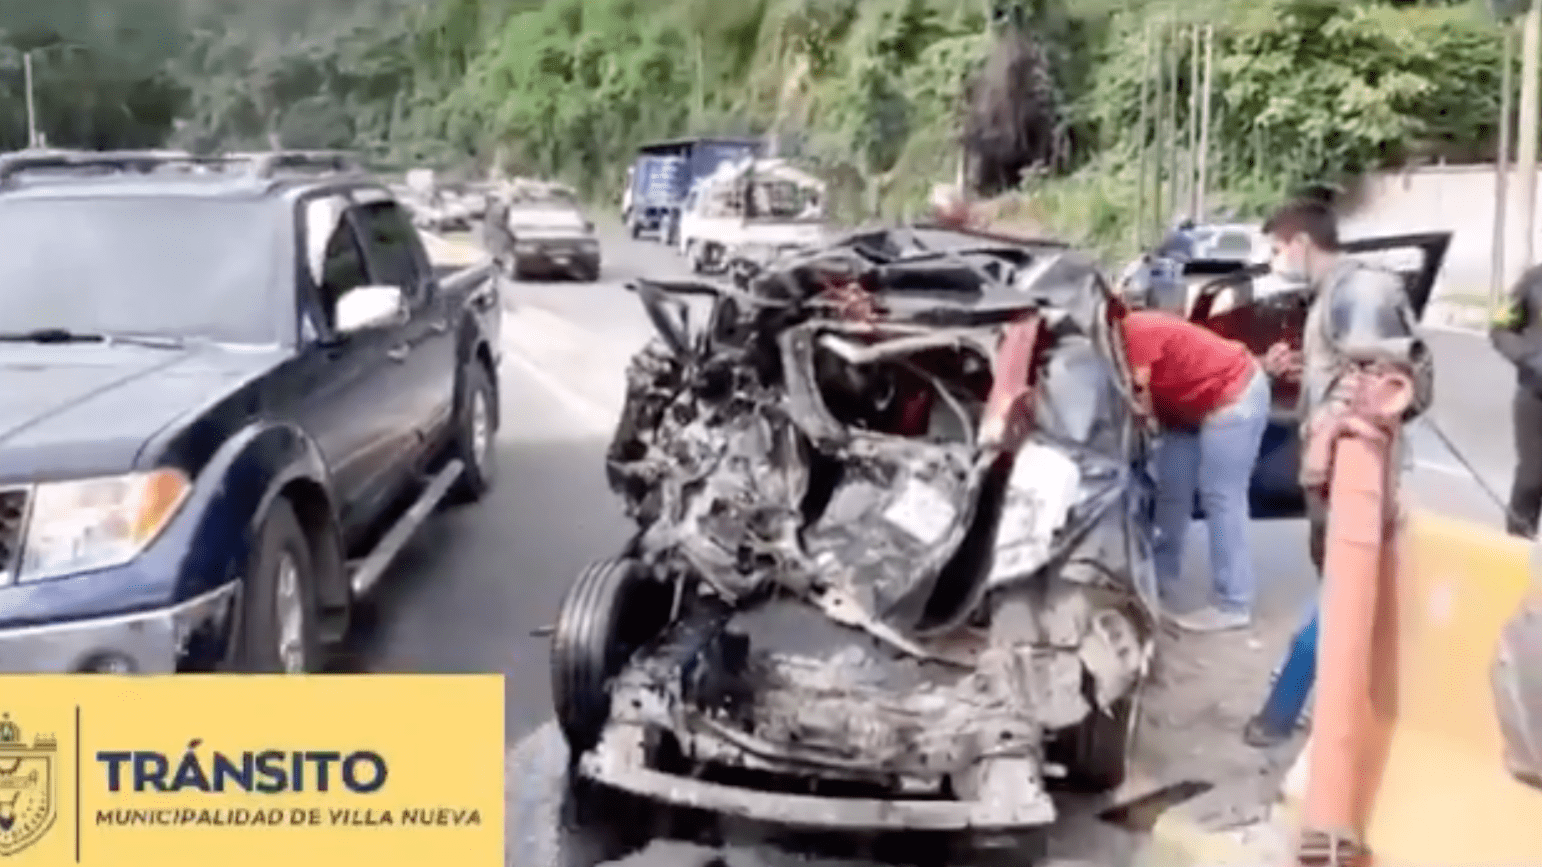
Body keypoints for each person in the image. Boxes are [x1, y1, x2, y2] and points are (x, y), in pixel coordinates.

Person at [1241, 198, 1434, 746]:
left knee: (1339, 593)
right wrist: (1317, 382)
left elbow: (1382, 387)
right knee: (1342, 591)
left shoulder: (1360, 291)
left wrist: (1331, 435)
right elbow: (1351, 375)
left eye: (1277, 248)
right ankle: (1317, 707)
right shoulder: (1336, 296)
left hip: (1357, 479)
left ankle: (1282, 714)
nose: (1275, 260)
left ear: (1300, 244)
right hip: (1343, 478)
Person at [1120, 307, 1271, 632]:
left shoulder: (1134, 332)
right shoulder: (1115, 339)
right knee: (1170, 492)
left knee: (1221, 496)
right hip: (1185, 408)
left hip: (1233, 395)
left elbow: (1140, 403)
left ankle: (1234, 602)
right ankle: (1157, 583)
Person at [1490, 264, 1542, 538]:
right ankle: (1518, 546)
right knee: (1532, 478)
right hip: (1535, 395)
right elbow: (1499, 327)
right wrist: (1529, 357)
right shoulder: (1533, 280)